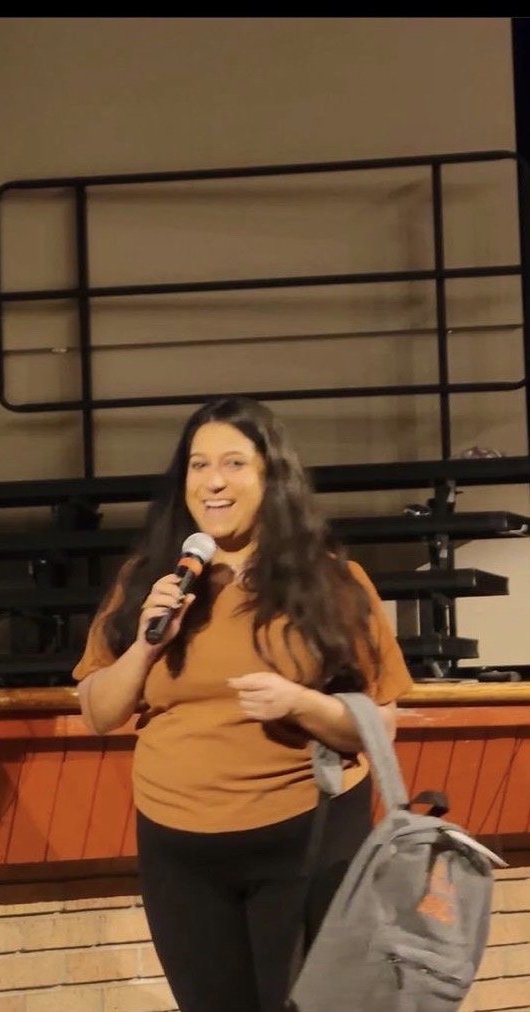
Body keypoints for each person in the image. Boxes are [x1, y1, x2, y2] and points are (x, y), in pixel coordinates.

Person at [72, 395, 414, 1012]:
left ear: (271, 478)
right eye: (198, 465)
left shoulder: (332, 583)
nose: (213, 482)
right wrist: (147, 649)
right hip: (178, 847)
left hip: (303, 838)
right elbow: (97, 712)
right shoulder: (148, 582)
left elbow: (379, 720)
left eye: (233, 463)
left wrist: (300, 704)